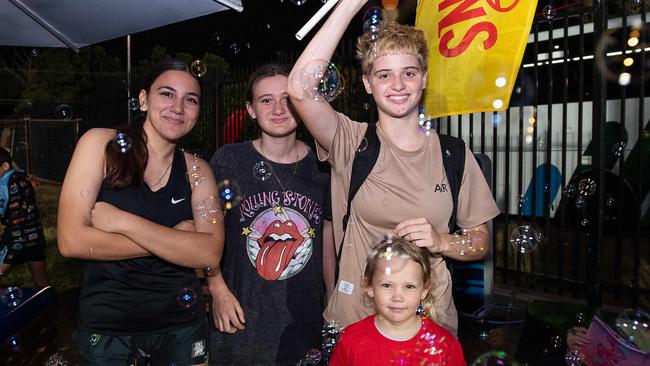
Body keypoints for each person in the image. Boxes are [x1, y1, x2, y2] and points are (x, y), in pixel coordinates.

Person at [287, 0, 500, 335]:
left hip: (430, 328)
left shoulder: (453, 154)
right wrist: (348, 6)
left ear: (424, 78)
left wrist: (441, 241)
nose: (398, 86)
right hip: (357, 323)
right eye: (384, 75)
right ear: (368, 84)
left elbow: (479, 242)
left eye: (409, 73)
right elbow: (299, 89)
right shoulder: (350, 141)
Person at [57, 60, 224, 366]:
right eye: (167, 94)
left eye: (191, 99)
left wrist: (122, 222)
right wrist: (177, 241)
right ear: (144, 99)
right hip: (108, 330)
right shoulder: (99, 145)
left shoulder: (199, 171)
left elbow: (209, 255)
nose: (178, 107)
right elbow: (72, 241)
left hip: (182, 328)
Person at [208, 63, 334, 365]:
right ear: (251, 109)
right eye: (266, 100)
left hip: (303, 320)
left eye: (287, 99)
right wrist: (217, 291)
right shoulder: (229, 161)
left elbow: (328, 234)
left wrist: (333, 296)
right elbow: (205, 234)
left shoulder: (324, 165)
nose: (278, 109)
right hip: (240, 320)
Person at [328, 236, 466, 365]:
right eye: (387, 285)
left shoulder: (445, 344)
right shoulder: (351, 339)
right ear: (369, 286)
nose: (397, 297)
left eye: (409, 286)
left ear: (424, 290)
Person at [0, 147, 49, 287]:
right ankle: (50, 306)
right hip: (36, 236)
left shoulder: (3, 186)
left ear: (4, 166)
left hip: (16, 239)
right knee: (41, 280)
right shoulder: (22, 176)